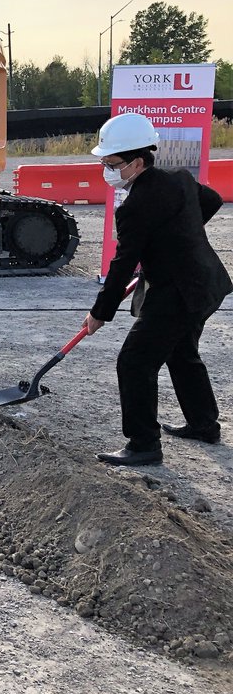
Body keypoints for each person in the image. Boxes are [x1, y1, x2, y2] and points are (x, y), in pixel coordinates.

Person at [83, 112, 230, 466]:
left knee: (134, 362)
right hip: (208, 282)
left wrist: (99, 313)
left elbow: (122, 264)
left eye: (111, 163)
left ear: (136, 161)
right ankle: (203, 424)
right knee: (181, 352)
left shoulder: (134, 206)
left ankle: (143, 443)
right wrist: (178, 236)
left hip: (178, 292)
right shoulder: (178, 179)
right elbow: (209, 201)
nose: (106, 168)